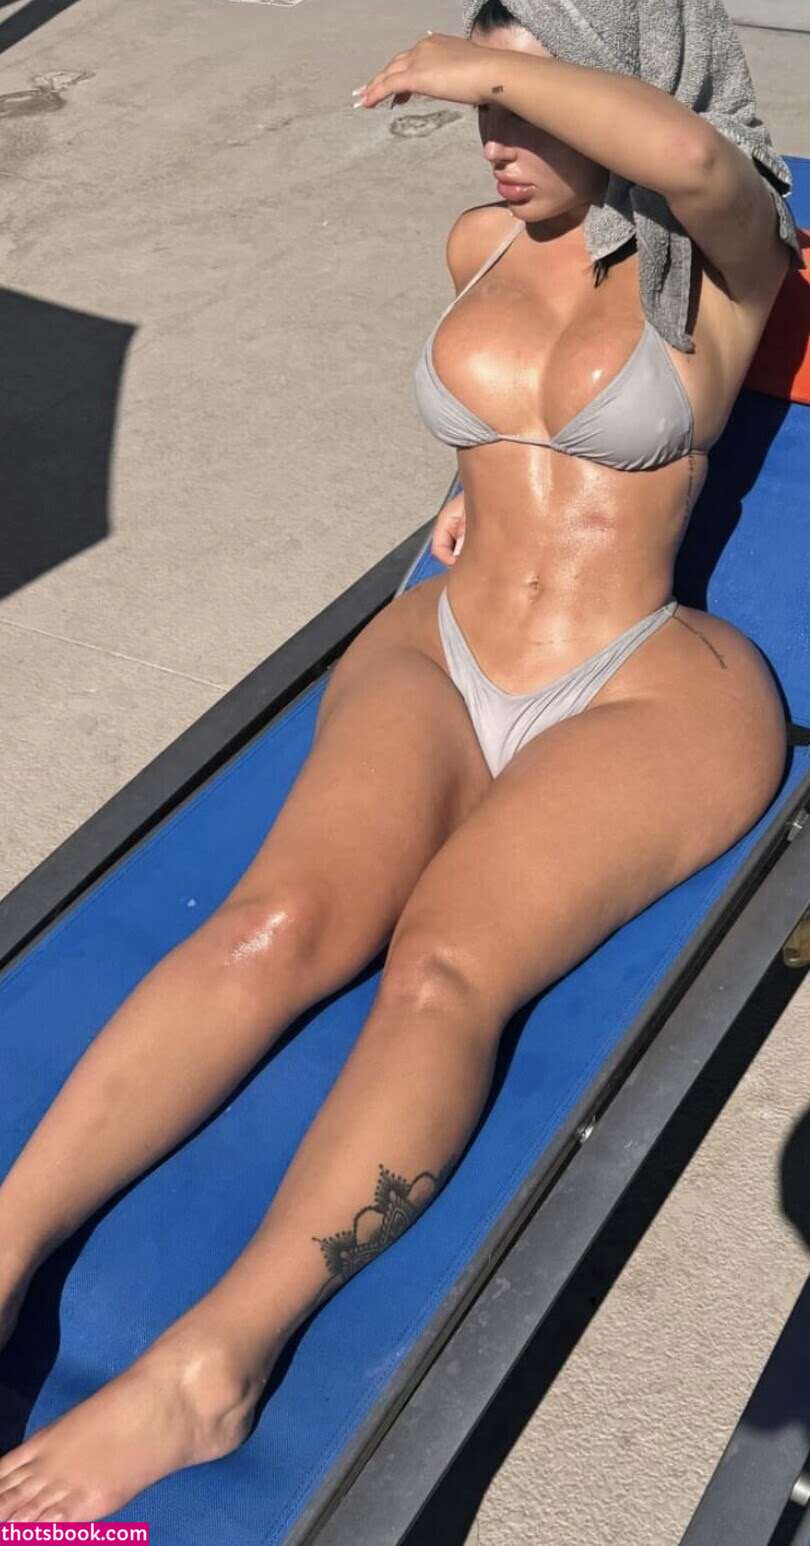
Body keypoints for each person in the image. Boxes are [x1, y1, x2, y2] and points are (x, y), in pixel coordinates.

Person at [0, 2, 799, 1523]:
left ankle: (211, 1365)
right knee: (271, 926)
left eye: (524, 101)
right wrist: (468, 489)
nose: (491, 139)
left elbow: (696, 160)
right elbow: (503, 433)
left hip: (638, 683)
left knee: (441, 971)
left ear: (617, 80)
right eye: (479, 113)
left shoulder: (720, 258)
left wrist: (474, 60)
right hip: (435, 652)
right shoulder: (479, 245)